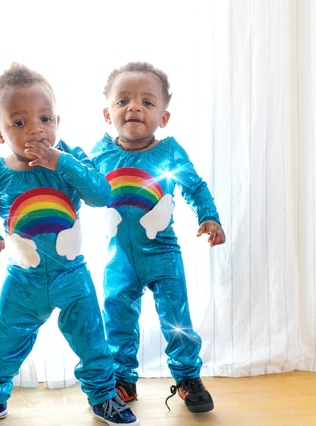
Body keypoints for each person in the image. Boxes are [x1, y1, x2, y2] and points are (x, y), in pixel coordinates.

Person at [0, 63, 138, 426]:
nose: (36, 129)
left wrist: (62, 163)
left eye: (45, 118)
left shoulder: (70, 158)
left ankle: (103, 396)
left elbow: (101, 194)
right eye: (19, 123)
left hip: (72, 277)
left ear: (57, 122)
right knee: (6, 339)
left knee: (92, 341)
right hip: (24, 280)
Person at [89, 61, 226, 414]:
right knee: (117, 316)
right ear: (108, 112)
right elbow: (77, 187)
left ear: (163, 118)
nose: (134, 107)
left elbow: (195, 187)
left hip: (163, 255)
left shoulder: (169, 152)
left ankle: (187, 377)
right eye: (123, 101)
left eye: (148, 102)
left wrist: (209, 217)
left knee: (175, 318)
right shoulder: (99, 154)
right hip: (118, 256)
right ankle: (122, 379)